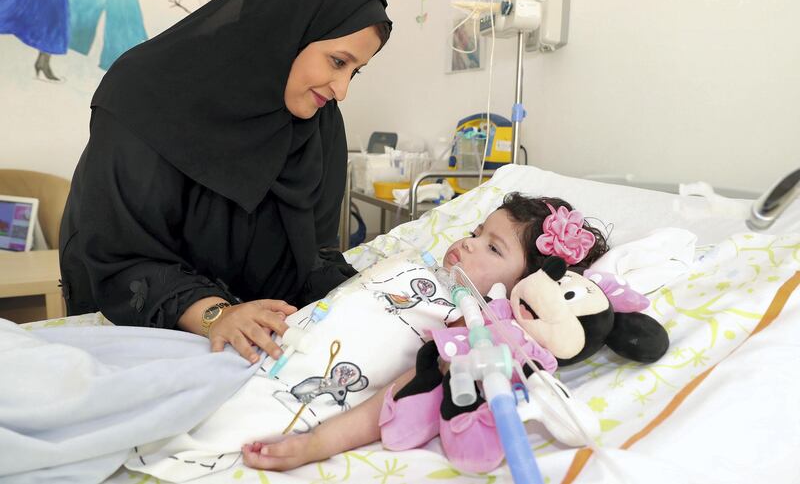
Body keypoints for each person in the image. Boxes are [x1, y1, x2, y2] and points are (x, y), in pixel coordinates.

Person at [58, 0, 393, 364]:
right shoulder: (143, 96)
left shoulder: (318, 123)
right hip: (140, 317)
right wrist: (216, 314)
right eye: (338, 62)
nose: (341, 89)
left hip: (249, 333)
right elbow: (119, 251)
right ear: (287, 29)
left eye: (354, 72)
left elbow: (314, 251)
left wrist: (364, 298)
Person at [240, 193, 609, 471]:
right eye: (475, 233)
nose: (468, 243)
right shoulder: (424, 272)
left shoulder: (468, 327)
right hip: (272, 341)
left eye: (493, 248)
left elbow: (402, 391)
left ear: (523, 292)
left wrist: (317, 443)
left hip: (287, 379)